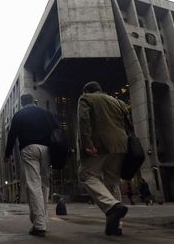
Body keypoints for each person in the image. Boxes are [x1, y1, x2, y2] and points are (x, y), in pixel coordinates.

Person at [77, 81, 129, 236]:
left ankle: (112, 206)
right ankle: (116, 226)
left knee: (86, 175)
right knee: (112, 183)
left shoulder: (86, 98)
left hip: (100, 144)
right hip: (121, 145)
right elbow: (127, 123)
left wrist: (87, 143)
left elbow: (83, 120)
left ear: (87, 91)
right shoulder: (118, 102)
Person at [4, 93, 59, 238]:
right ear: (34, 101)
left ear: (22, 103)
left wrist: (7, 154)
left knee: (33, 184)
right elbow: (57, 128)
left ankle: (39, 224)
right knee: (44, 184)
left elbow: (12, 135)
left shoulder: (19, 115)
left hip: (29, 149)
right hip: (47, 149)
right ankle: (41, 219)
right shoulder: (45, 113)